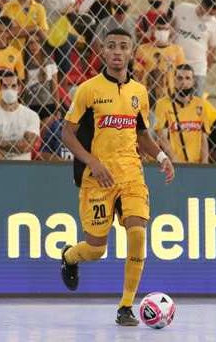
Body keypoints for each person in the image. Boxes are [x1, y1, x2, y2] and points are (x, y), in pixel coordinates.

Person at [60, 28, 175, 326]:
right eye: (111, 46)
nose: (117, 51)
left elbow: (141, 135)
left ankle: (126, 306)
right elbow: (67, 133)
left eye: (123, 46)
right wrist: (92, 161)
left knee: (137, 233)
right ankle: (70, 257)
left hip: (131, 173)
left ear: (131, 52)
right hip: (97, 177)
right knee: (96, 250)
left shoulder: (139, 93)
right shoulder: (88, 90)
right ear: (102, 51)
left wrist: (161, 156)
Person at [154, 64, 216, 164]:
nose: (183, 82)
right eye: (180, 78)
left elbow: (203, 138)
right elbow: (161, 137)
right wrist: (175, 160)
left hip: (196, 165)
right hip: (173, 164)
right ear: (174, 81)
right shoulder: (163, 104)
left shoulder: (201, 104)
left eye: (187, 78)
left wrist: (205, 162)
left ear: (193, 82)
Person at [0, 71, 40, 160]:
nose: (9, 90)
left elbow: (26, 147)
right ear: (0, 88)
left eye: (13, 86)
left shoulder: (31, 115)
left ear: (19, 88)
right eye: (5, 86)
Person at [173, 0, 216, 97]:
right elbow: (170, 28)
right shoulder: (182, 9)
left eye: (214, 14)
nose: (211, 16)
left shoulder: (214, 24)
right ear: (202, 5)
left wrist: (205, 69)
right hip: (176, 65)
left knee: (196, 103)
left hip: (198, 69)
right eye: (210, 13)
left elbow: (212, 50)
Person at [134, 15, 185, 96]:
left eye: (166, 29)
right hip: (147, 94)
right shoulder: (142, 49)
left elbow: (182, 74)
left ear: (170, 30)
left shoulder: (178, 50)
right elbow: (137, 73)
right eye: (159, 28)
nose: (162, 32)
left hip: (170, 96)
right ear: (153, 29)